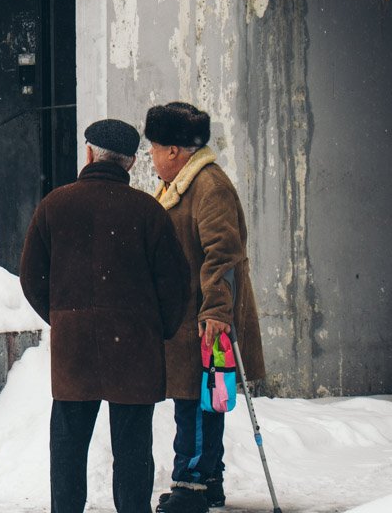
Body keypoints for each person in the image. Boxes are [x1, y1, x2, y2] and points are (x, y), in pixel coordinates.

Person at [20, 119, 190, 513]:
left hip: (74, 350)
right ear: (131, 163)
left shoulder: (54, 205)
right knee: (133, 450)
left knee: (67, 444)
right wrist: (156, 329)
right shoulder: (148, 212)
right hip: (134, 349)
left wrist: (65, 317)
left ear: (89, 154)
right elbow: (175, 283)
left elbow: (31, 277)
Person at [145, 102, 266, 513]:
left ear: (176, 151)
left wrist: (216, 311)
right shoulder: (184, 185)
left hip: (204, 317)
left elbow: (223, 254)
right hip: (189, 315)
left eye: (156, 147)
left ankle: (192, 484)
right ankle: (208, 480)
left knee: (195, 399)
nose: (151, 155)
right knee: (201, 397)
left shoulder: (208, 187)